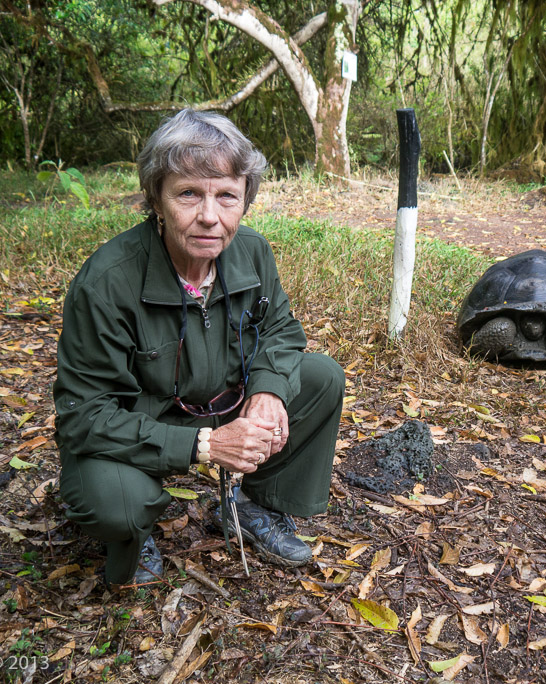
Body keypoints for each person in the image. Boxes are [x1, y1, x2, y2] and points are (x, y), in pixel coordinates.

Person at [53, 109, 344, 585]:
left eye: (227, 196)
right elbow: (82, 418)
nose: (209, 216)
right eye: (188, 193)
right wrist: (205, 445)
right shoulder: (107, 282)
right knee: (116, 504)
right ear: (156, 199)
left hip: (223, 400)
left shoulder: (251, 251)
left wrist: (269, 390)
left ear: (245, 201)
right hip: (141, 423)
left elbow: (282, 331)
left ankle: (250, 507)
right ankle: (133, 537)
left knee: (319, 378)